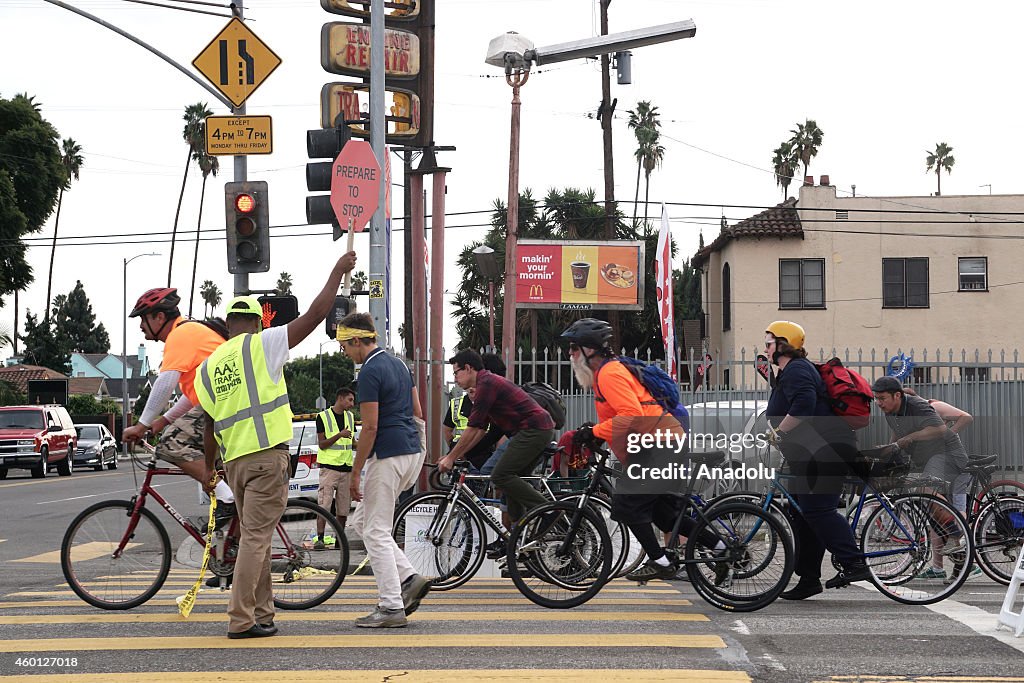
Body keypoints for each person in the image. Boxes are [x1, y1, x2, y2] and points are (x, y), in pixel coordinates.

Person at [193, 251, 357, 640]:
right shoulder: (262, 344)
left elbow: (209, 422)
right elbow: (315, 317)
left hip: (235, 464)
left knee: (257, 537)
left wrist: (209, 468)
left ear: (229, 324)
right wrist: (336, 271)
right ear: (255, 322)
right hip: (267, 456)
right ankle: (241, 618)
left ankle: (263, 614)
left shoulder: (210, 366)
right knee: (255, 538)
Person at [559, 318, 724, 583]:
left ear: (590, 349)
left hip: (659, 444)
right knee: (665, 515)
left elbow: (633, 415)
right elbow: (624, 415)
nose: (570, 354)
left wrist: (595, 433)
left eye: (573, 348)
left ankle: (660, 561)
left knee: (627, 505)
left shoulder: (609, 374)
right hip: (662, 442)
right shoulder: (608, 372)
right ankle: (721, 548)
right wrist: (596, 436)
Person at [762, 321, 869, 600]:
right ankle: (808, 578)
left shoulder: (797, 369)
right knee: (802, 513)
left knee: (818, 510)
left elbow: (803, 407)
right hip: (808, 452)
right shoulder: (788, 372)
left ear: (783, 344)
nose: (765, 347)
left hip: (825, 451)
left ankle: (853, 562)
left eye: (770, 342)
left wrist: (777, 433)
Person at [336, 312, 430, 629]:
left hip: (387, 455)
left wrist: (355, 473)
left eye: (345, 345)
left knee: (376, 531)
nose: (344, 352)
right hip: (409, 452)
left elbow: (371, 427)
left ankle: (391, 606)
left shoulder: (370, 372)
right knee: (364, 521)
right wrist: (419, 451)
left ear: (358, 340)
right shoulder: (399, 364)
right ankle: (409, 577)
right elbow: (418, 413)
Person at [121, 287, 235, 515]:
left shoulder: (181, 335)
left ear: (159, 317)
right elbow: (193, 396)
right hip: (229, 404)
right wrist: (162, 420)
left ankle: (226, 498)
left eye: (143, 319)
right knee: (227, 471)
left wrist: (142, 424)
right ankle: (233, 535)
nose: (141, 326)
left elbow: (165, 382)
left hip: (223, 404)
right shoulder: (191, 332)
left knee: (170, 443)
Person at [438, 348, 555, 559]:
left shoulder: (486, 384)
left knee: (500, 475)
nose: (455, 379)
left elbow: (473, 428)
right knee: (511, 484)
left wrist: (451, 457)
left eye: (456, 373)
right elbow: (482, 430)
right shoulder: (484, 384)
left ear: (469, 368)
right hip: (532, 431)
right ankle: (518, 537)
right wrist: (461, 454)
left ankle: (548, 511)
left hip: (534, 430)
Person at [871, 376, 974, 580]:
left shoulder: (918, 405)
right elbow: (897, 433)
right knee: (927, 507)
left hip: (947, 454)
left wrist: (909, 439)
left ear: (897, 395)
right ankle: (964, 562)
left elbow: (939, 429)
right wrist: (888, 450)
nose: (878, 403)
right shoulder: (890, 412)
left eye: (882, 398)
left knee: (926, 489)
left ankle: (958, 535)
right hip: (926, 459)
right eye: (876, 398)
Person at [314, 387, 357, 549]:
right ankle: (320, 538)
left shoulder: (350, 417)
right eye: (350, 400)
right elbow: (322, 444)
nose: (352, 404)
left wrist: (367, 447)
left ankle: (339, 539)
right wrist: (339, 434)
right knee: (324, 505)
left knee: (343, 508)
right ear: (340, 398)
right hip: (329, 468)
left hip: (346, 468)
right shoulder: (323, 417)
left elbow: (352, 443)